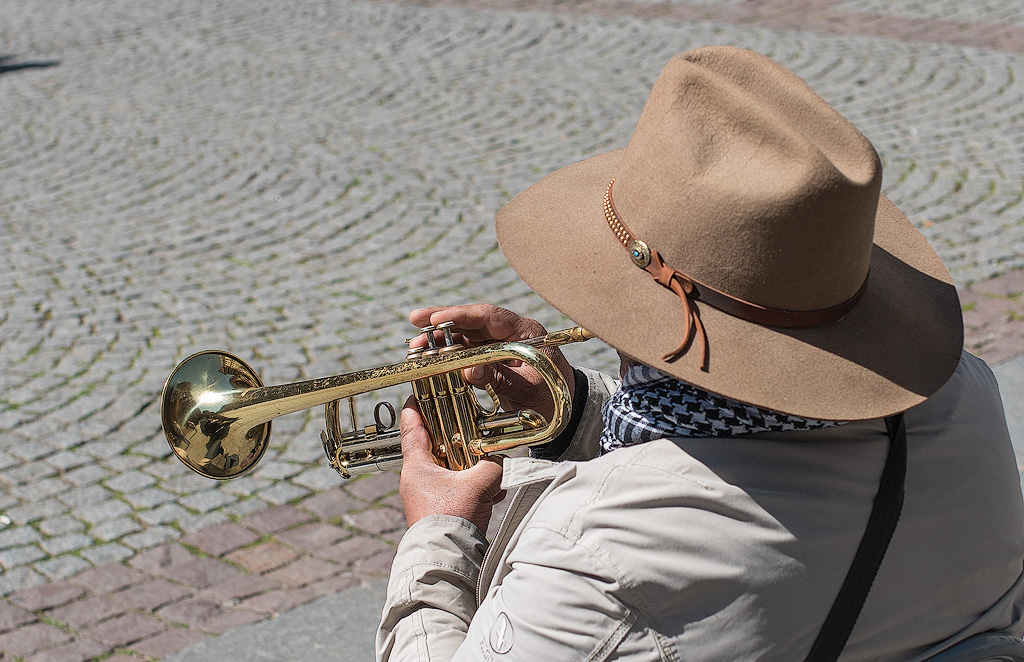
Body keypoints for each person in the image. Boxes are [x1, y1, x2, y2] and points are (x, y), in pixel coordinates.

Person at [375, 46, 1024, 661]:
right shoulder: (963, 396)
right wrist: (576, 412)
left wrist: (437, 530)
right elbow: (749, 443)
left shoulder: (599, 550)